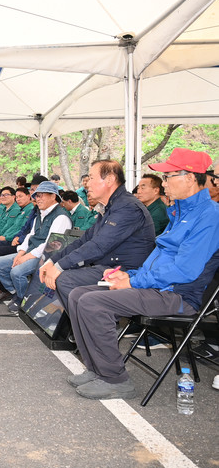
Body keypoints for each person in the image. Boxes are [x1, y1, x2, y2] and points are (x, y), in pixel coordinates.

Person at [65, 148, 219, 400]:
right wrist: (129, 275)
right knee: (77, 295)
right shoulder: (180, 212)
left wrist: (133, 281)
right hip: (156, 286)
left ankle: (116, 380)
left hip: (177, 295)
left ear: (190, 178)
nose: (164, 183)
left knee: (93, 302)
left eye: (168, 177)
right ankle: (96, 368)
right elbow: (159, 259)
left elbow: (184, 270)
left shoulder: (209, 216)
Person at [39, 160, 155, 308]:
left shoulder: (127, 207)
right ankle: (81, 320)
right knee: (64, 273)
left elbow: (98, 246)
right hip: (108, 266)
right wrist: (52, 261)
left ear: (110, 179)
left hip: (125, 271)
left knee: (64, 280)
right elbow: (84, 240)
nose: (87, 184)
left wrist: (58, 267)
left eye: (92, 178)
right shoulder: (111, 206)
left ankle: (91, 321)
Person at [0, 182, 73, 303]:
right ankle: (16, 293)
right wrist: (20, 253)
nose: (37, 199)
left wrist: (26, 257)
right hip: (32, 252)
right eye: (36, 196)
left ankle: (25, 302)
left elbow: (50, 245)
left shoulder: (61, 217)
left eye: (41, 195)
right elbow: (30, 235)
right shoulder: (40, 213)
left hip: (46, 257)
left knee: (17, 272)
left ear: (53, 196)